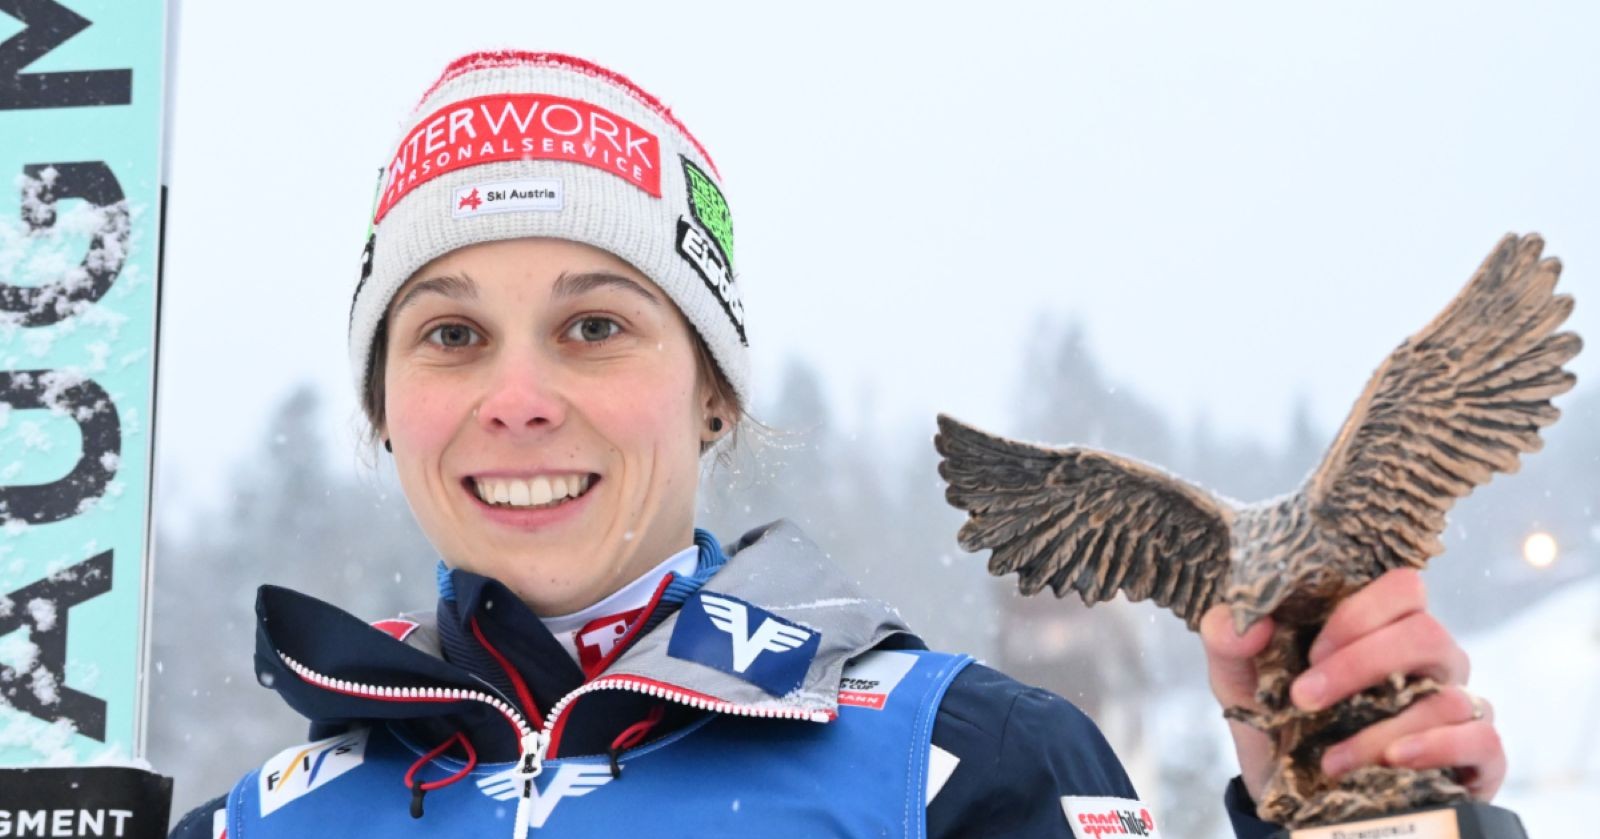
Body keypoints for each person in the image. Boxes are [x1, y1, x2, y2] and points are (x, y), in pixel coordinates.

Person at [169, 51, 1505, 838]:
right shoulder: (258, 818)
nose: (517, 397)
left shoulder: (964, 763)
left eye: (593, 328)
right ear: (384, 408)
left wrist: (1362, 826)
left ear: (713, 396)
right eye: (451, 337)